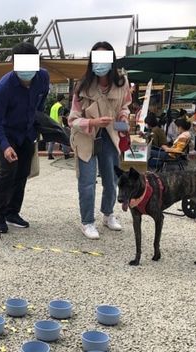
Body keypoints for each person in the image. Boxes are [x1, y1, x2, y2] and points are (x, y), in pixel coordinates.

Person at [68, 41, 131, 240]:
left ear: (112, 60)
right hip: (87, 136)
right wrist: (93, 121)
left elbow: (125, 106)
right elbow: (73, 119)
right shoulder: (82, 86)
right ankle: (87, 222)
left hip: (111, 135)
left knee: (112, 180)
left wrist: (123, 117)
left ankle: (108, 213)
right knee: (87, 181)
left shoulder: (122, 82)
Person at [0, 42, 50, 233]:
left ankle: (12, 212)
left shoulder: (42, 77)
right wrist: (5, 146)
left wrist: (37, 121)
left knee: (23, 172)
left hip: (27, 133)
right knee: (8, 171)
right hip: (6, 133)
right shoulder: (3, 87)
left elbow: (41, 100)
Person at [47, 94, 71, 160]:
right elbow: (59, 117)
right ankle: (66, 154)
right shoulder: (60, 107)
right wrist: (60, 127)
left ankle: (49, 154)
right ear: (62, 99)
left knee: (52, 140)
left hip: (51, 125)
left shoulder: (53, 106)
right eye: (64, 100)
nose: (64, 101)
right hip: (57, 125)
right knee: (63, 139)